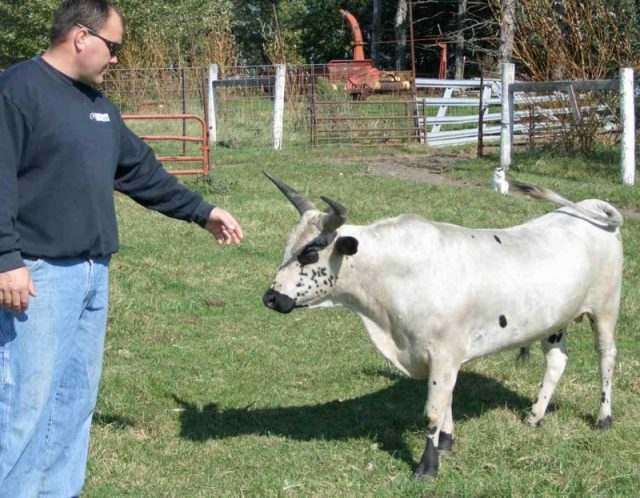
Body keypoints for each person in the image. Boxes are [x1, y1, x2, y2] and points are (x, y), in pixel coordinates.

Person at [0, 0, 243, 495]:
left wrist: (203, 211)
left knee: (73, 402)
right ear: (81, 36)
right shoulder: (17, 90)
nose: (117, 59)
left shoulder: (97, 107)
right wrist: (6, 260)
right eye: (114, 48)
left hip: (92, 274)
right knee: (25, 403)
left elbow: (139, 172)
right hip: (39, 275)